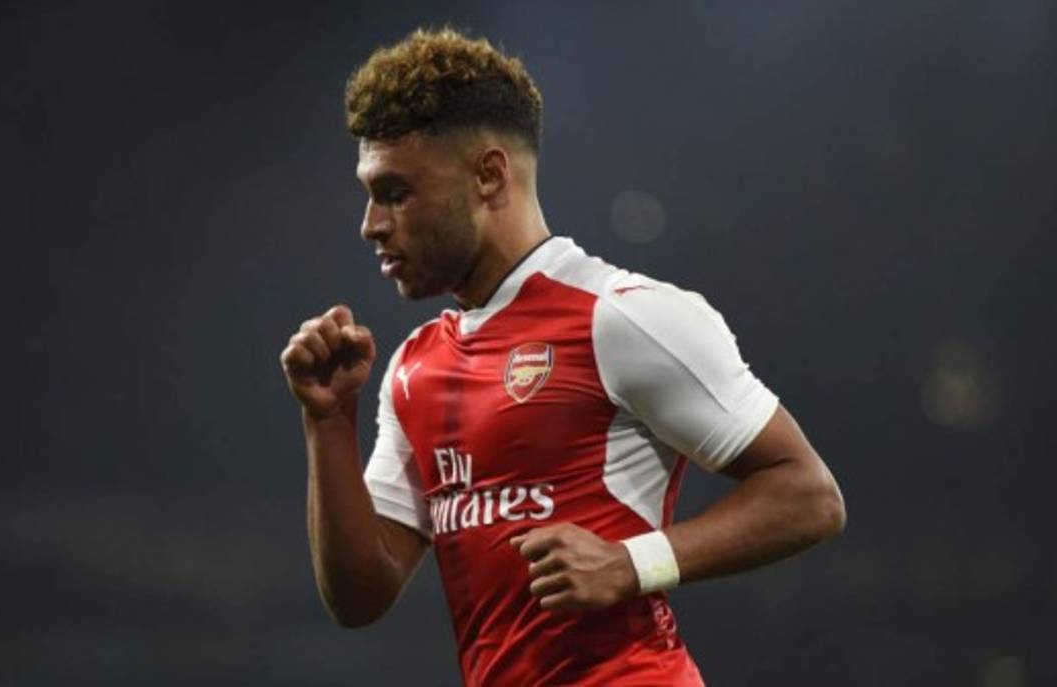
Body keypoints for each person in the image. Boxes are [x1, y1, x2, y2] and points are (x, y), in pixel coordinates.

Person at [279, 27, 845, 686]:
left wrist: (631, 563)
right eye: (370, 194)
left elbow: (809, 494)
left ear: (489, 175)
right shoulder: (415, 367)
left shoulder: (623, 315)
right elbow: (360, 596)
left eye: (396, 192)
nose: (371, 223)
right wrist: (328, 420)